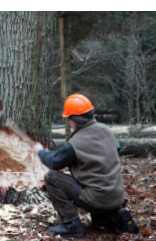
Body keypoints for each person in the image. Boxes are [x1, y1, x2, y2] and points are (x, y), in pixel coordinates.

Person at [33, 94, 139, 238]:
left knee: (51, 177)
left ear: (72, 120)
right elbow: (116, 148)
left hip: (97, 199)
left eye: (68, 119)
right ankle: (112, 216)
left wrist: (41, 152)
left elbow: (54, 163)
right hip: (117, 196)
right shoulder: (106, 130)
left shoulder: (75, 143)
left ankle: (71, 225)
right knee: (93, 190)